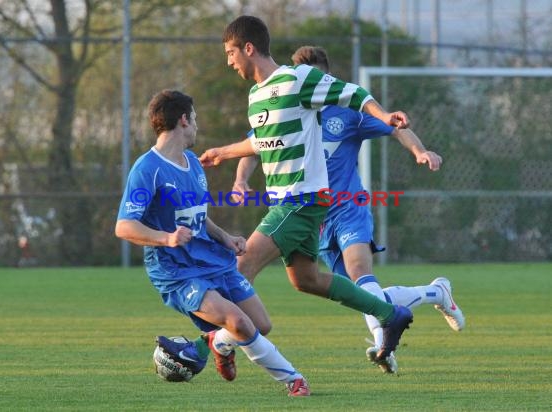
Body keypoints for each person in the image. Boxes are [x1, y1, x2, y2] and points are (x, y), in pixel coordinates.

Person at [230, 45, 466, 374]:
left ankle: (385, 346)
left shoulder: (348, 113)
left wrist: (420, 151)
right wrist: (241, 180)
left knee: (361, 275)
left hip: (349, 209)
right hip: (315, 219)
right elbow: (255, 145)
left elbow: (396, 126)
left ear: (327, 77)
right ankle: (434, 292)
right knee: (359, 293)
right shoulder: (286, 106)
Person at [199, 15, 413, 364]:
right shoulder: (256, 96)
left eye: (230, 52)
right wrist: (223, 152)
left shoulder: (297, 78)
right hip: (288, 202)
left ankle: (202, 347)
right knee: (306, 279)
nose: (228, 61)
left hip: (299, 201)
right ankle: (390, 315)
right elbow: (262, 143)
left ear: (248, 48)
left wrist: (384, 114)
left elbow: (354, 94)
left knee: (239, 267)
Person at [115, 89, 310, 396]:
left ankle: (213, 342)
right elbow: (124, 226)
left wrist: (225, 237)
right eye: (194, 119)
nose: (197, 125)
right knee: (239, 323)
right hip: (176, 271)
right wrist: (166, 238)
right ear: (182, 120)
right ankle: (294, 380)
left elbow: (197, 216)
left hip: (210, 259)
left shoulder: (192, 163)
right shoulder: (147, 169)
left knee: (260, 323)